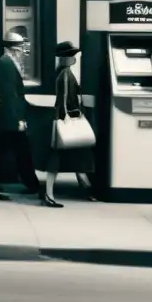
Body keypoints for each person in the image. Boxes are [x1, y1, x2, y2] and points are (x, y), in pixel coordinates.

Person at [0, 32, 41, 200]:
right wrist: (18, 120)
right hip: (8, 119)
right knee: (10, 153)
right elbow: (10, 95)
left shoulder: (7, 63)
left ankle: (30, 184)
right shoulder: (6, 64)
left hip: (7, 118)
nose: (23, 52)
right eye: (21, 48)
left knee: (12, 152)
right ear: (15, 49)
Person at [42, 41, 96, 208]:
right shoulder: (66, 74)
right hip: (65, 122)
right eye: (70, 56)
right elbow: (64, 99)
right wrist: (69, 116)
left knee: (74, 156)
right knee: (58, 159)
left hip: (61, 120)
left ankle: (86, 188)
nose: (73, 59)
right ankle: (49, 194)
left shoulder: (61, 72)